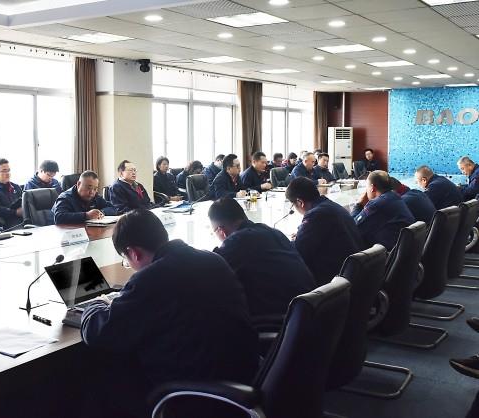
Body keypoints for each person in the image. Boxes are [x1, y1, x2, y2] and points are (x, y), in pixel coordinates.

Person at [81, 209, 259, 418]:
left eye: (126, 260)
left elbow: (99, 332)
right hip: (243, 371)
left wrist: (96, 303)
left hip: (198, 392)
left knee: (100, 379)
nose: (129, 266)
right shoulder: (212, 259)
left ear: (134, 253)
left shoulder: (151, 278)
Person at [209, 197, 316, 319]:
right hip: (309, 310)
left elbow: (211, 276)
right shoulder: (274, 232)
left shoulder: (234, 244)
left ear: (221, 231)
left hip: (281, 321)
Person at [286, 177, 364, 286]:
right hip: (354, 274)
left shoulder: (315, 215)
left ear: (300, 202)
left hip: (336, 283)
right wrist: (302, 233)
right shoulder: (331, 205)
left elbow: (299, 251)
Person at [352, 171, 415, 251]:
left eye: (366, 187)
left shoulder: (377, 204)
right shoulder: (395, 196)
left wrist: (358, 205)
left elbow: (352, 228)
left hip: (388, 254)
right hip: (404, 251)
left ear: (372, 188)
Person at [52, 171, 117, 224]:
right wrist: (86, 215)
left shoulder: (95, 196)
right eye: (89, 188)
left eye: (95, 189)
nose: (92, 192)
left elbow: (113, 208)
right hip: (67, 233)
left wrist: (101, 212)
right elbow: (59, 218)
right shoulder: (65, 197)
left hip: (88, 231)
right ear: (78, 184)